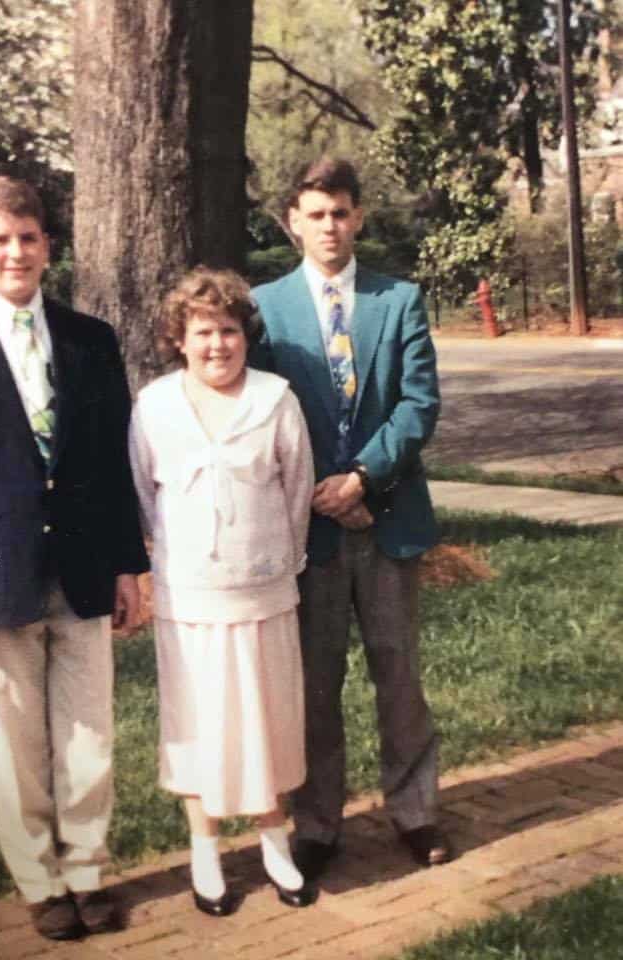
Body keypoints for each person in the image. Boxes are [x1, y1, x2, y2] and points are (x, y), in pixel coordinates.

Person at [0, 175, 149, 941]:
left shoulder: (89, 340)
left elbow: (113, 465)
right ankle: (40, 879)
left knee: (86, 729)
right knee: (14, 737)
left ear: (48, 247)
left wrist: (128, 565)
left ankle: (86, 867)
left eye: (29, 238)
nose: (16, 252)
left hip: (81, 566)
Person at [251, 157, 450, 882]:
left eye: (340, 212)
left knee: (397, 671)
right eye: (315, 213)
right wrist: (317, 488)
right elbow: (260, 408)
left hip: (387, 518)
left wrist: (364, 475)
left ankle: (415, 810)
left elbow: (417, 403)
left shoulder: (397, 299)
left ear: (357, 216)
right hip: (309, 528)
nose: (328, 226)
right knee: (315, 680)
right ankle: (318, 822)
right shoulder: (265, 308)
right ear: (291, 223)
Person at [129, 267, 315, 916]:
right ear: (179, 338)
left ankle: (274, 843)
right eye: (203, 331)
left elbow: (296, 494)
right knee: (197, 721)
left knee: (266, 719)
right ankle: (204, 850)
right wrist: (173, 560)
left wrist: (278, 561)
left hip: (262, 589)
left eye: (229, 331)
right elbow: (143, 496)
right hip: (189, 595)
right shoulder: (153, 405)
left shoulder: (274, 399)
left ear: (246, 335)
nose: (217, 345)